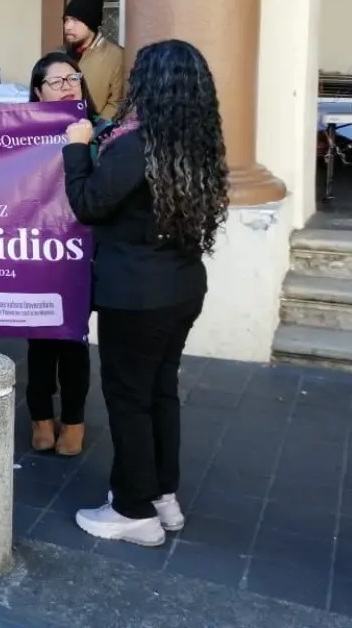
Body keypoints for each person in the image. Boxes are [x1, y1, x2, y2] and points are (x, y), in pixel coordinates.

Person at [62, 39, 228, 547]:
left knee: (129, 399)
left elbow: (88, 203)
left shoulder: (136, 146)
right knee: (160, 392)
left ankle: (133, 509)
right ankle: (162, 496)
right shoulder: (196, 143)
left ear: (147, 86)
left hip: (136, 295)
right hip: (180, 288)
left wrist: (76, 146)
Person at [25, 51, 110, 456]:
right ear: (38, 93)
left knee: (74, 340)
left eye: (72, 78)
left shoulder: (103, 132)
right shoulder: (19, 136)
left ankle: (73, 422)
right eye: (56, 82)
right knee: (40, 341)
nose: (67, 87)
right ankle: (40, 418)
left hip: (81, 253)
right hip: (35, 254)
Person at [63, 0, 124, 119]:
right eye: (66, 20)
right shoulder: (59, 54)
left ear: (90, 22)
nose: (68, 26)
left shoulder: (116, 56)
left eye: (75, 20)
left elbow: (117, 102)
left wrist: (96, 130)